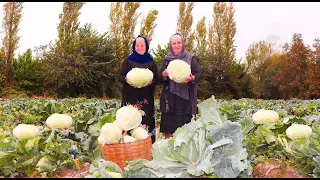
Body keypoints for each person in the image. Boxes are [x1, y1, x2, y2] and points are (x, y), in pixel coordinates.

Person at [159, 33, 200, 139]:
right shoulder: (167, 60)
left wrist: (192, 78)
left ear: (182, 44)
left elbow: (198, 74)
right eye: (174, 43)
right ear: (171, 45)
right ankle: (168, 152)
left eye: (179, 43)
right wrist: (163, 75)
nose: (176, 45)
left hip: (186, 99)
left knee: (185, 132)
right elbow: (160, 77)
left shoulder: (191, 58)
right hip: (170, 98)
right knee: (169, 130)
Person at [118, 35, 158, 143]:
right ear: (134, 47)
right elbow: (120, 76)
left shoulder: (151, 61)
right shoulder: (128, 60)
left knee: (146, 122)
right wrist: (127, 80)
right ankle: (129, 146)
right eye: (137, 45)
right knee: (129, 121)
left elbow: (156, 78)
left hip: (146, 99)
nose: (140, 47)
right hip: (130, 98)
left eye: (142, 45)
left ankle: (146, 148)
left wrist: (151, 82)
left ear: (146, 47)